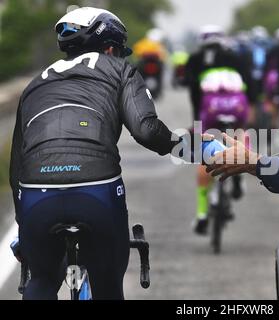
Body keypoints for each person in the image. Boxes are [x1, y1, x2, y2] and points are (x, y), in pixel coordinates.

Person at [9, 7, 196, 300]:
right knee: (108, 285)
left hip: (36, 191)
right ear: (111, 47)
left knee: (42, 279)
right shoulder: (120, 69)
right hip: (95, 188)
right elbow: (146, 131)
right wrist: (186, 146)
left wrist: (26, 231)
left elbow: (16, 166)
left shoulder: (36, 83)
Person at [185, 25, 254, 235]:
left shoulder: (195, 58)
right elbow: (249, 85)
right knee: (240, 131)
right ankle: (241, 171)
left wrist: (196, 122)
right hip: (237, 107)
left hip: (210, 111)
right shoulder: (235, 56)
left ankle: (202, 213)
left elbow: (194, 94)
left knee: (203, 154)